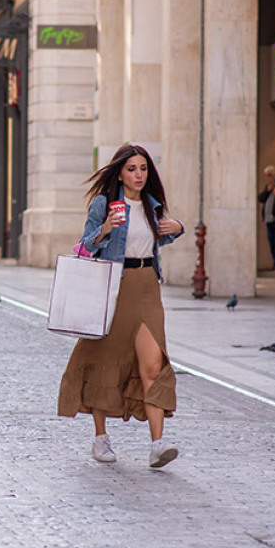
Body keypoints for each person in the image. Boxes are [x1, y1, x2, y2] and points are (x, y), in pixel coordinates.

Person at [57, 144, 186, 467]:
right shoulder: (104, 204)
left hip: (146, 287)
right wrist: (103, 231)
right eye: (132, 169)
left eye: (143, 168)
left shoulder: (151, 206)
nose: (139, 175)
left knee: (153, 364)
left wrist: (177, 228)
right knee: (104, 359)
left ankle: (158, 444)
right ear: (120, 172)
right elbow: (85, 246)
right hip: (114, 285)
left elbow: (159, 237)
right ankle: (101, 438)